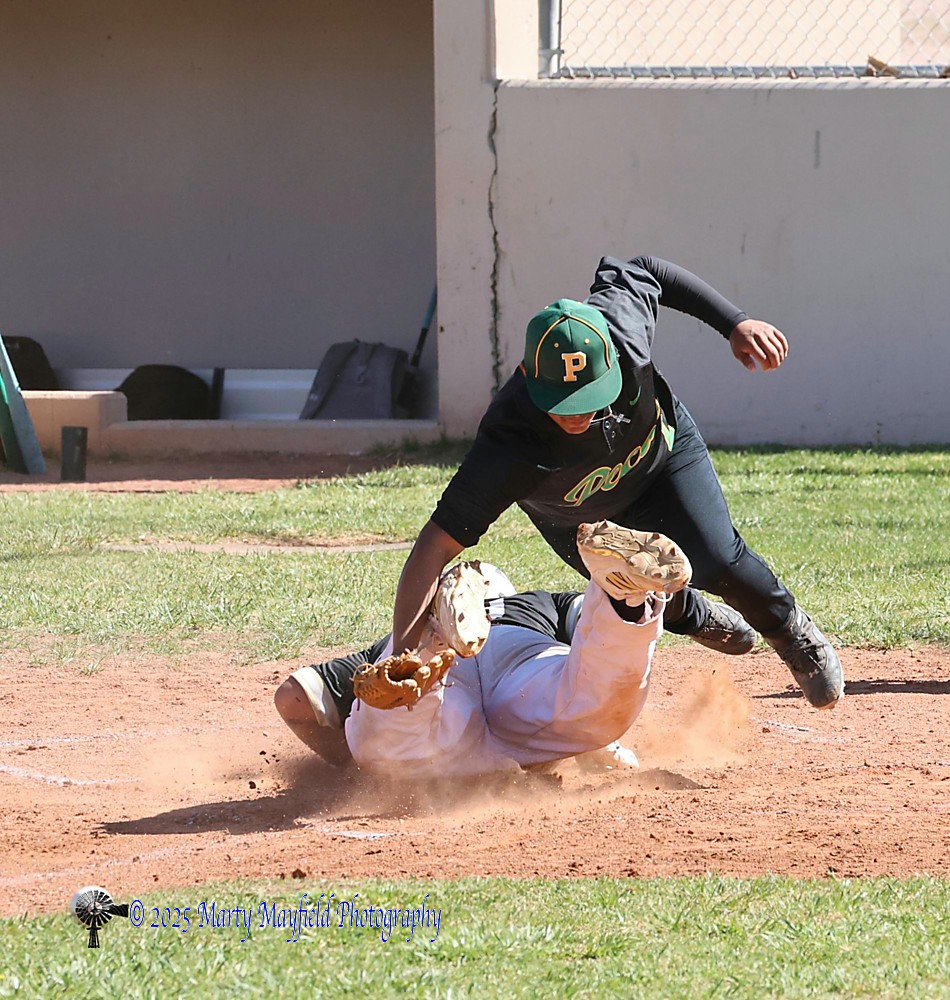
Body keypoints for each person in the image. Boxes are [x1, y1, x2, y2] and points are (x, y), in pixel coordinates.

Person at [389, 255, 843, 709]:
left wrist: (734, 323)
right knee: (631, 600)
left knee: (719, 558)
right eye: (562, 402)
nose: (578, 414)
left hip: (663, 462)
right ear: (527, 376)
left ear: (610, 356)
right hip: (574, 515)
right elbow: (435, 545)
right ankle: (691, 615)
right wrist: (404, 658)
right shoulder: (507, 444)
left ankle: (790, 632)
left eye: (589, 395)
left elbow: (649, 269)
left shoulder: (622, 328)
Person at [275, 521, 689, 776]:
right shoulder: (535, 602)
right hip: (519, 655)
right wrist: (589, 745)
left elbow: (292, 698)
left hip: (442, 683)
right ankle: (624, 598)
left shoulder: (394, 638)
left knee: (396, 747)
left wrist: (353, 765)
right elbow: (589, 644)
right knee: (592, 705)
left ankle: (430, 645)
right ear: (501, 588)